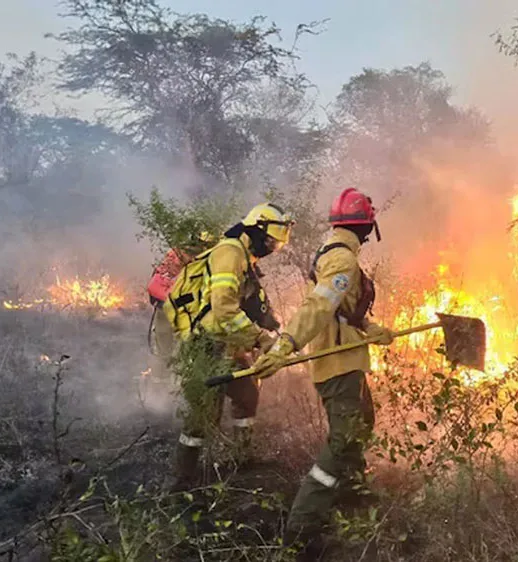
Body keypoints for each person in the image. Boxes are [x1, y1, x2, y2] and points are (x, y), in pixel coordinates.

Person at [250, 187, 394, 556]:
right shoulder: (343, 260)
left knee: (362, 425)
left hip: (349, 358)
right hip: (338, 363)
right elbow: (318, 307)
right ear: (366, 227)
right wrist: (286, 346)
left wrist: (369, 329)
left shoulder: (334, 252)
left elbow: (342, 309)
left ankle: (355, 498)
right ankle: (300, 528)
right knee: (344, 439)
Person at [162, 202, 294, 491]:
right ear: (256, 231)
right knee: (203, 413)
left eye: (277, 242)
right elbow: (223, 310)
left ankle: (241, 458)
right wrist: (259, 338)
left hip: (227, 344)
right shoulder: (229, 253)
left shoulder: (245, 258)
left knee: (247, 394)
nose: (273, 246)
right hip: (206, 343)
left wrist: (270, 328)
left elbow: (250, 304)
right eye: (271, 239)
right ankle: (182, 480)